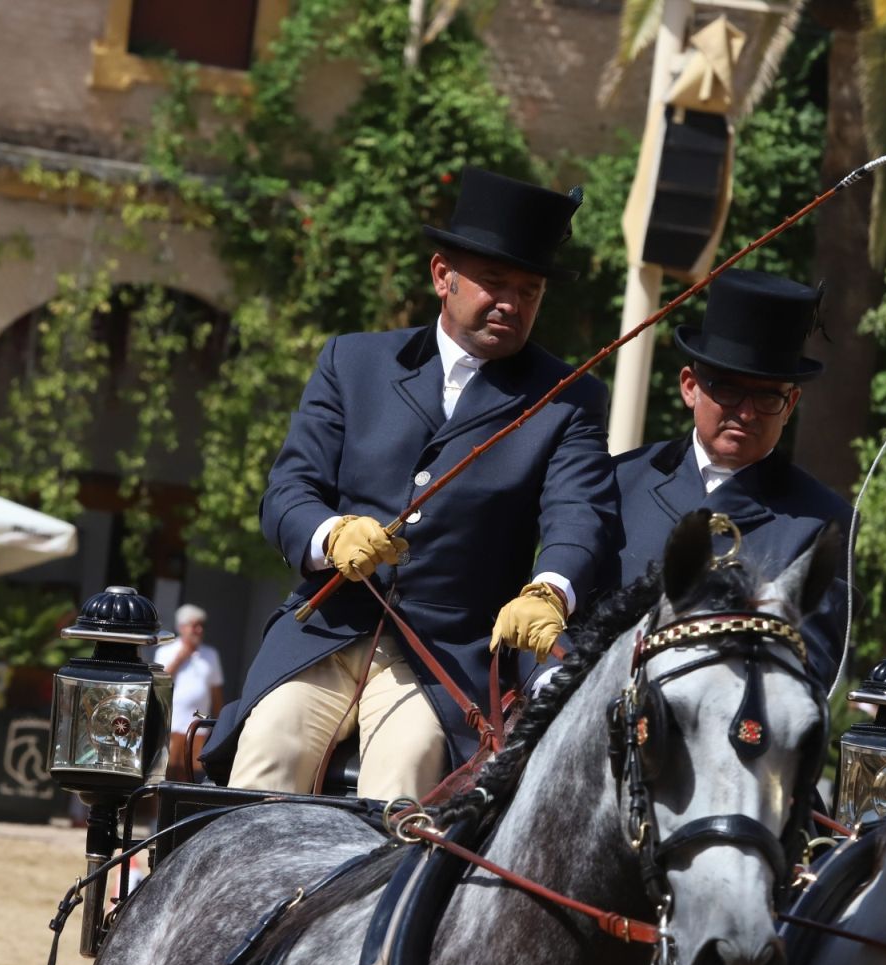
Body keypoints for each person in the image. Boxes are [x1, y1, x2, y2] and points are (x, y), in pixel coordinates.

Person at [205, 167, 616, 801]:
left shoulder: (568, 399)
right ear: (441, 276)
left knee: (403, 778)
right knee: (270, 747)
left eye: (529, 291)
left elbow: (580, 512)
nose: (511, 302)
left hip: (445, 653)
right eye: (495, 282)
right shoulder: (353, 362)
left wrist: (550, 589)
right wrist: (330, 531)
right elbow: (289, 491)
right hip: (329, 627)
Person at [609, 269, 851, 692]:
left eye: (767, 396)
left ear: (790, 403)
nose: (746, 412)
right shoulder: (619, 480)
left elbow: (808, 671)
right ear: (690, 387)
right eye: (727, 389)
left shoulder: (821, 524)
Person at [154, 603, 224, 783]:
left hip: (199, 727)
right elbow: (158, 682)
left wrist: (218, 726)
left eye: (201, 625)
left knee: (192, 777)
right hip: (171, 726)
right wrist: (179, 658)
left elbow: (216, 694)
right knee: (167, 774)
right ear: (182, 628)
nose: (199, 630)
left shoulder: (210, 655)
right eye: (195, 625)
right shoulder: (165, 651)